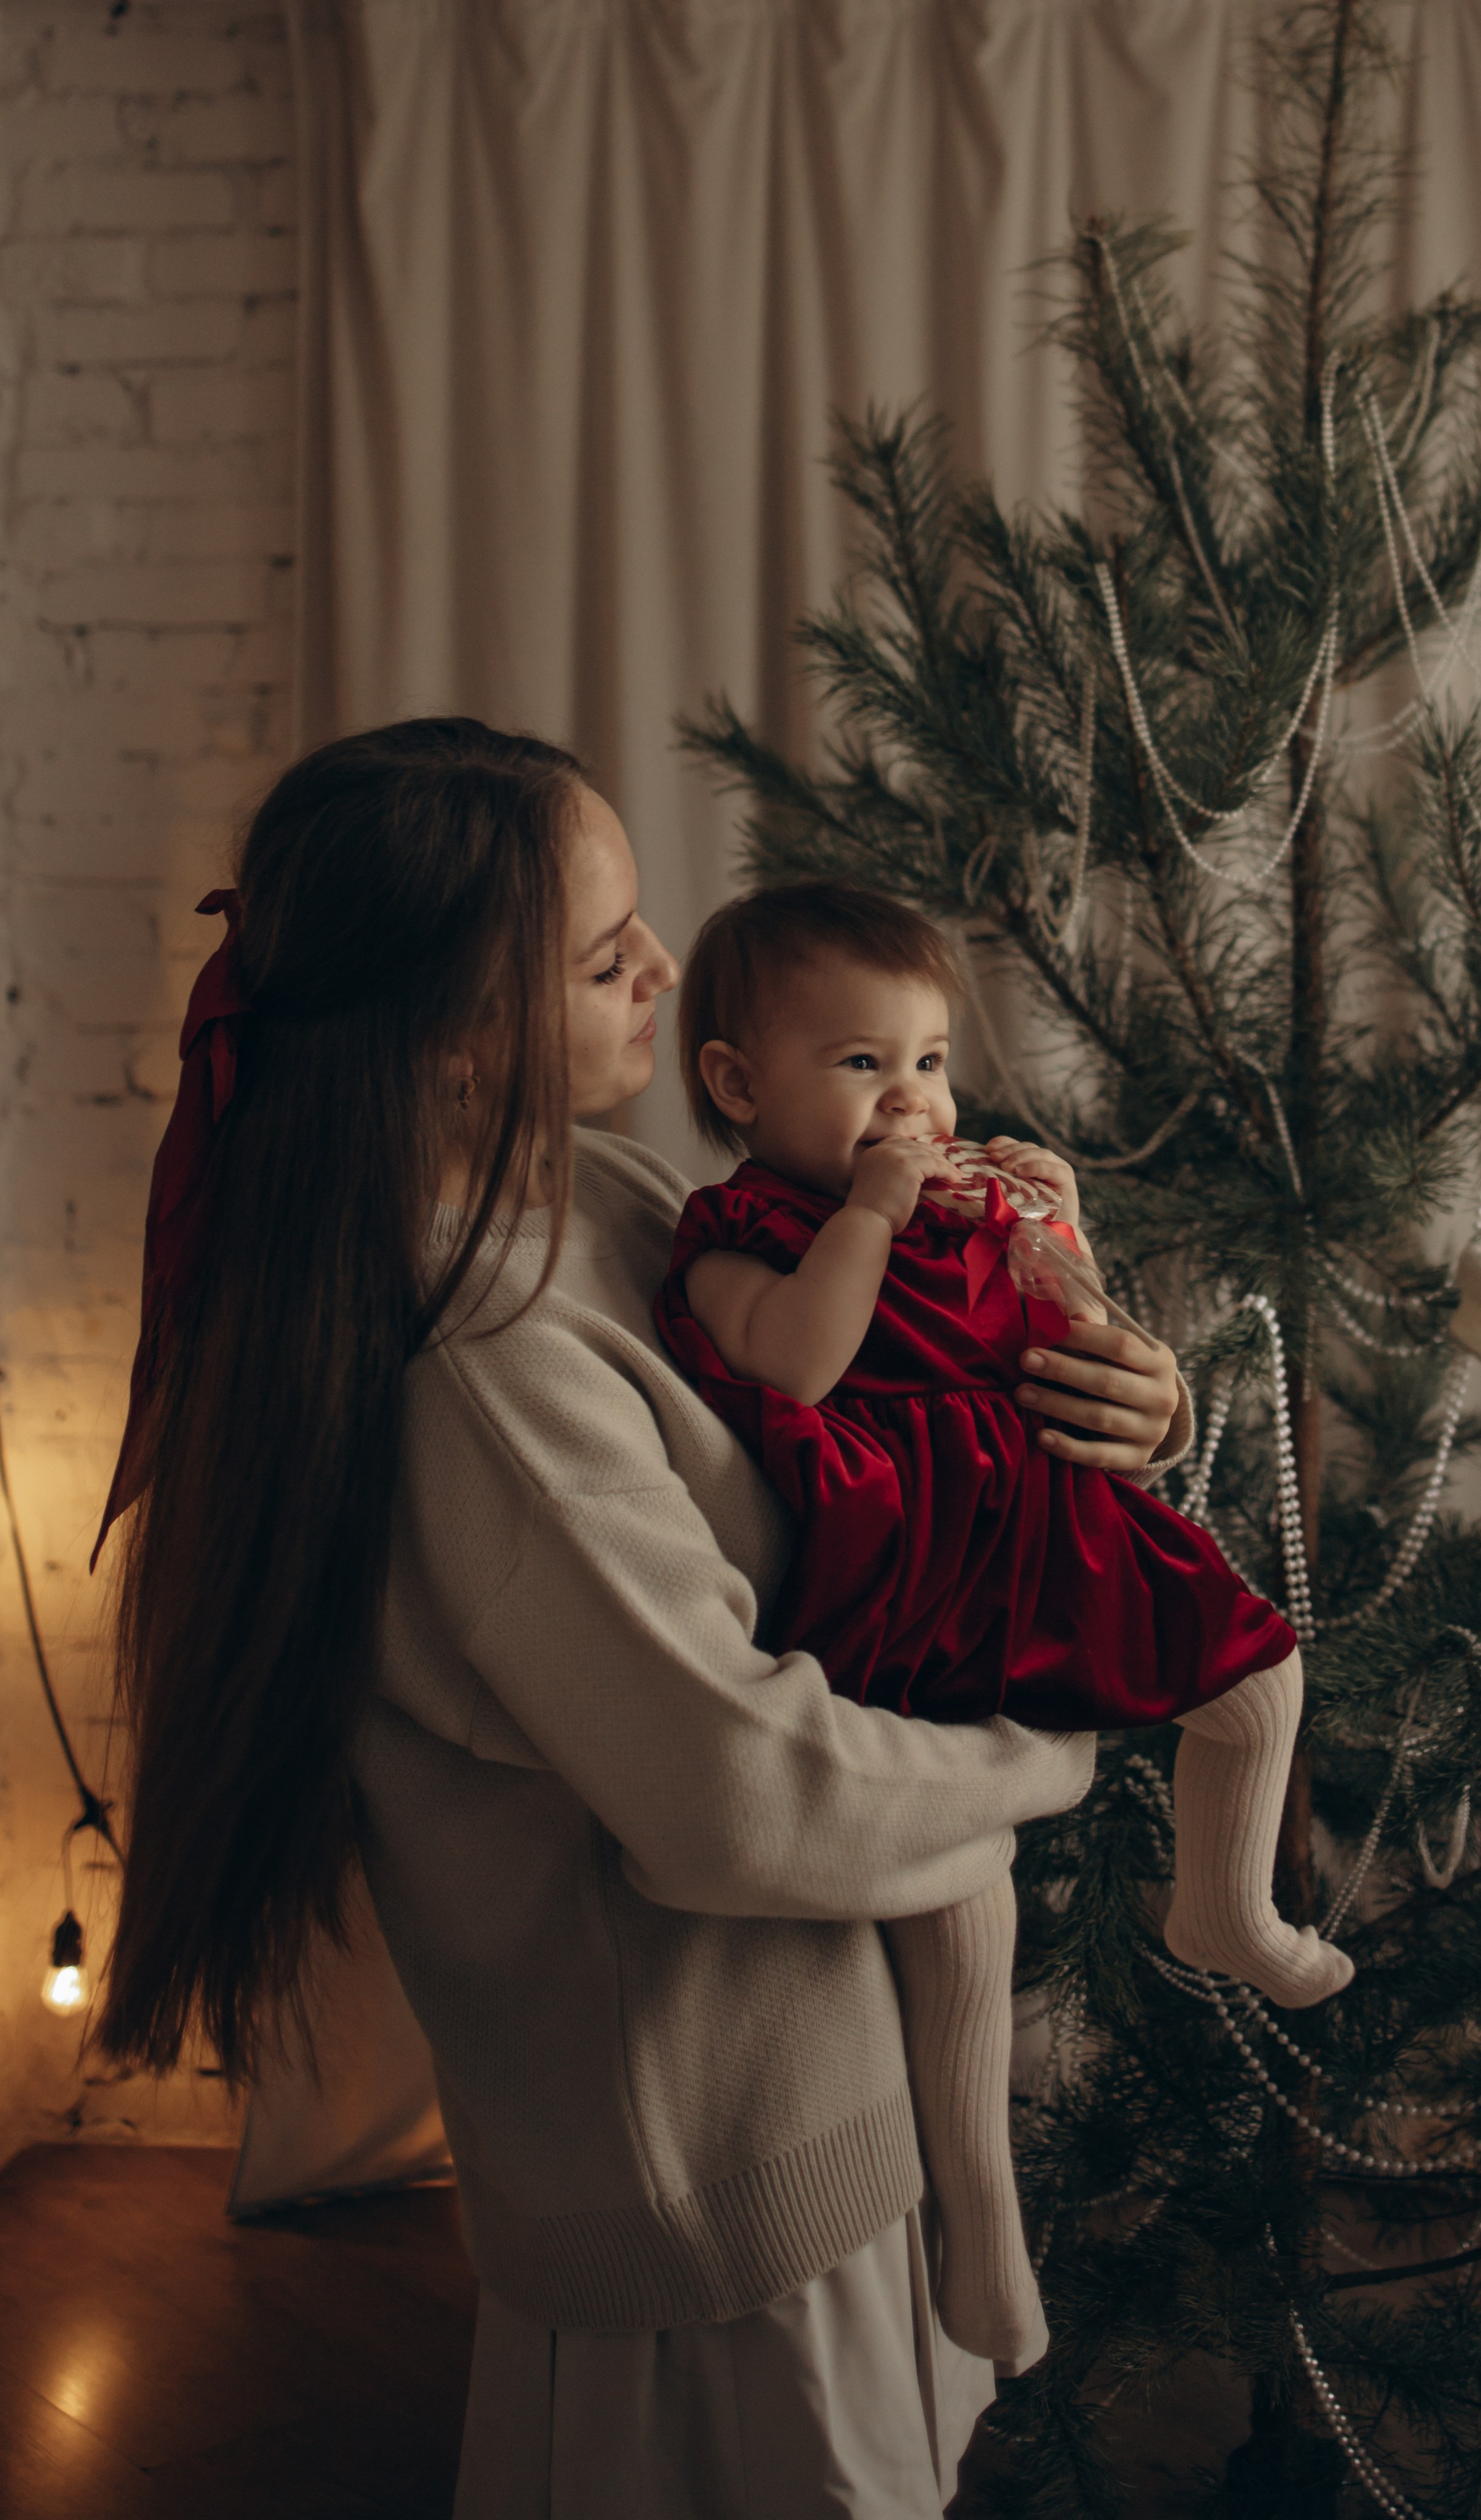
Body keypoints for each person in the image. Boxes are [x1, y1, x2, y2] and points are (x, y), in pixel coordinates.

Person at [92, 718, 1188, 2520]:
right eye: (608, 957)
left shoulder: (590, 1191)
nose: (667, 972)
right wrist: (1062, 1735)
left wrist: (1112, 1392)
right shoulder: (482, 1363)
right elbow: (738, 1790)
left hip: (811, 2124)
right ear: (458, 1033)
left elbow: (869, 1418)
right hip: (721, 2199)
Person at [653, 882, 1354, 2369]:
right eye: (860, 1065)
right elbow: (796, 1367)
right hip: (905, 1562)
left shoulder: (952, 1198)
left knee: (1255, 1673)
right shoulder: (739, 1231)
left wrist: (1062, 1229)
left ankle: (1220, 1902)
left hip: (1042, 1515)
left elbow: (1073, 1338)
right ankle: (980, 2228)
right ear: (734, 1083)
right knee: (961, 1892)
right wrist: (872, 1211)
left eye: (927, 1063)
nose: (910, 1101)